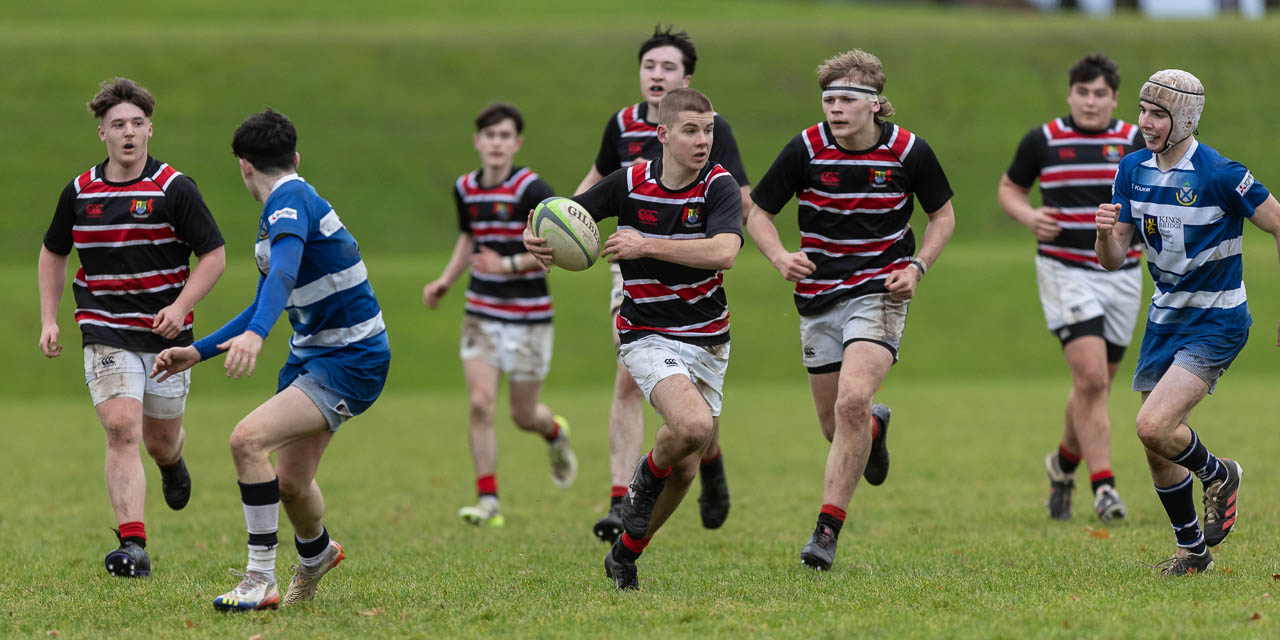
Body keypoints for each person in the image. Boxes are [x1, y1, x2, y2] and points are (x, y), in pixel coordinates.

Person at [151, 109, 390, 608]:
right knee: (291, 482)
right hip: (317, 356)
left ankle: (260, 578)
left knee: (246, 440)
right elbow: (266, 298)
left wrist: (258, 337)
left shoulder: (289, 203)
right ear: (295, 157)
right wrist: (195, 352)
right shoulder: (287, 207)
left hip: (349, 358)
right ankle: (317, 553)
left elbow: (280, 277)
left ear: (243, 167)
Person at [745, 49, 956, 571]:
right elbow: (758, 213)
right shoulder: (807, 148)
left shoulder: (909, 151)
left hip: (878, 291)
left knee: (852, 400)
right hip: (818, 296)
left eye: (846, 99)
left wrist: (918, 268)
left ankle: (825, 532)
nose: (835, 109)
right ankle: (875, 432)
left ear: (875, 105)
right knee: (837, 423)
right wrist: (779, 256)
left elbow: (943, 216)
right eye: (828, 99)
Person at [528, 88, 742, 590]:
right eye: (691, 130)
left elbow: (725, 251)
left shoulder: (719, 186)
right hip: (646, 332)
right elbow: (564, 213)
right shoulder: (628, 183)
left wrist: (646, 244)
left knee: (687, 470)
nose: (703, 140)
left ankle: (624, 554)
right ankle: (643, 478)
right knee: (691, 426)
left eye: (708, 130)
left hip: (708, 338)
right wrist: (534, 233)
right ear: (663, 134)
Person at [37, 77, 226, 578]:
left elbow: (214, 256)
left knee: (159, 440)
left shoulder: (174, 189)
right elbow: (54, 252)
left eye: (136, 124)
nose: (128, 133)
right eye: (118, 124)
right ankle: (133, 546)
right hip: (105, 327)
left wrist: (181, 306)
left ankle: (171, 462)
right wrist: (49, 319)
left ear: (149, 129)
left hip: (166, 336)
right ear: (101, 132)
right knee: (122, 428)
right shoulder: (80, 192)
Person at [1095, 69, 1279, 575]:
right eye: (1143, 111)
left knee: (1153, 425)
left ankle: (1220, 474)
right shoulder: (1132, 169)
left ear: (1186, 118)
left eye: (1158, 114)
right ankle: (1193, 553)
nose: (1145, 122)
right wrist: (1104, 235)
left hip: (1218, 319)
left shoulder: (1221, 173)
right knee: (1157, 446)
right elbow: (1114, 258)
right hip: (1165, 319)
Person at [574, 24, 750, 543]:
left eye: (667, 67)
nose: (657, 74)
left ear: (685, 77)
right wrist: (553, 227)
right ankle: (620, 497)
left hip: (694, 282)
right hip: (631, 273)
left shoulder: (710, 138)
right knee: (632, 378)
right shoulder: (623, 126)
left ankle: (708, 462)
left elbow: (736, 203)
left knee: (692, 423)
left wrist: (680, 224)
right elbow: (591, 188)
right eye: (649, 66)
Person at [997, 54, 1144, 522]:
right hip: (1065, 271)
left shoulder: (1134, 141)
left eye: (1100, 93)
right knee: (1092, 380)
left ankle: (1062, 465)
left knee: (1094, 387)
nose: (1090, 101)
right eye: (1082, 92)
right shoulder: (1042, 140)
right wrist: (1030, 215)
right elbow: (1009, 189)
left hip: (1123, 274)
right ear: (1070, 94)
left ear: (1114, 99)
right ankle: (1105, 489)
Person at [423, 102, 578, 528]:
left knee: (523, 416)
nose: (496, 143)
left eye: (504, 136)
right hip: (482, 312)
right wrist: (445, 281)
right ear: (477, 141)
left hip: (530, 316)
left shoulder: (530, 189)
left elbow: (557, 248)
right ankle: (488, 498)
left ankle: (554, 433)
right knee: (479, 404)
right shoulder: (465, 188)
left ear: (517, 143)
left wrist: (507, 265)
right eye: (489, 135)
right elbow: (469, 238)